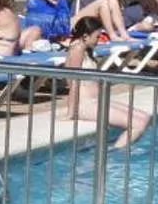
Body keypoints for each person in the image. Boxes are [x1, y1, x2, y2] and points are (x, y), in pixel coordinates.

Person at [62, 18, 151, 147]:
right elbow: (73, 81)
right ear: (85, 36)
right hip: (85, 105)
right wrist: (71, 113)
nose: (99, 40)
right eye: (97, 37)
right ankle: (116, 154)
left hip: (96, 101)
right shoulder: (77, 49)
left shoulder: (85, 48)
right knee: (137, 124)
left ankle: (121, 147)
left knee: (145, 117)